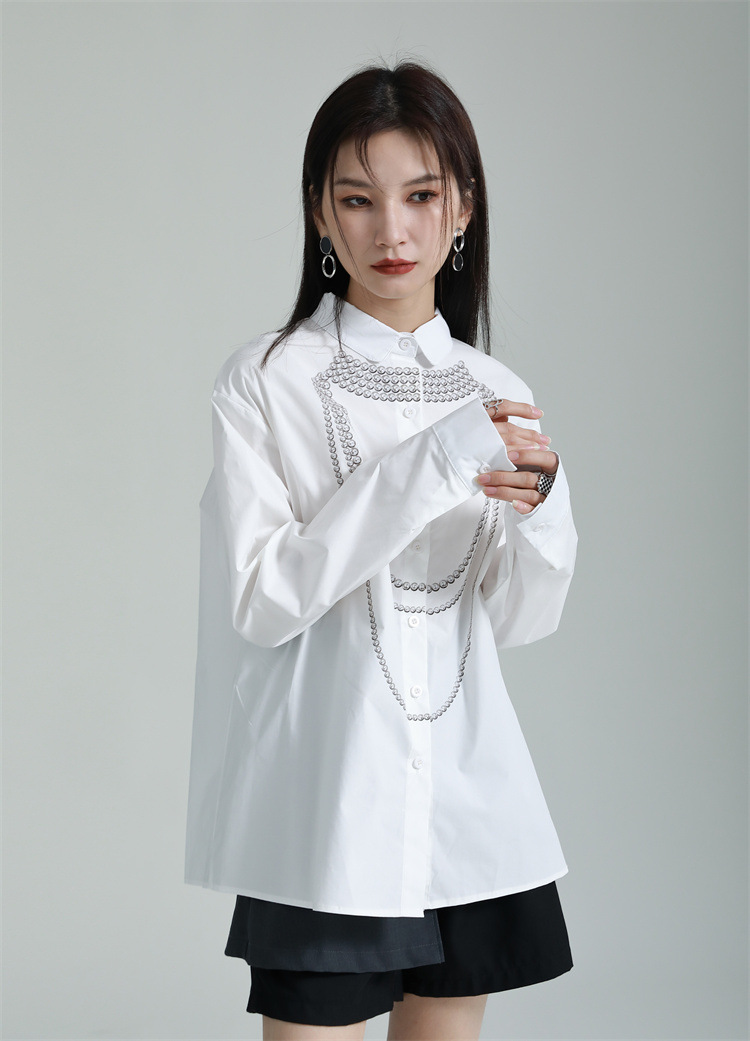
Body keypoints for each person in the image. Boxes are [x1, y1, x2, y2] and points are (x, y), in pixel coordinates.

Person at [185, 61, 578, 1041]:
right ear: (320, 213)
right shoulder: (267, 379)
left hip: (466, 801)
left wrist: (545, 506)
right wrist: (437, 461)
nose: (392, 231)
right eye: (358, 199)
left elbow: (522, 618)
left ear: (463, 209)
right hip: (328, 804)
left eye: (421, 197)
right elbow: (263, 598)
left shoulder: (497, 389)